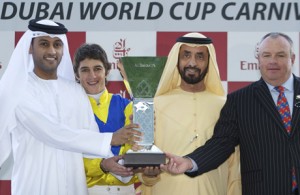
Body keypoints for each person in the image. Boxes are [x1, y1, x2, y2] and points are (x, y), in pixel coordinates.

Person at [0, 19, 140, 195]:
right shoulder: (19, 88)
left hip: (74, 187)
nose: (52, 51)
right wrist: (111, 138)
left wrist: (114, 165)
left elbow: (90, 134)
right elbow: (52, 132)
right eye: (44, 44)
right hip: (35, 186)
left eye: (57, 44)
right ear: (30, 47)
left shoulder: (75, 90)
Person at [161, 32, 299, 195]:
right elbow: (222, 143)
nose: (272, 61)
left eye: (280, 55)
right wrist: (190, 162)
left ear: (292, 58)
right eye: (266, 55)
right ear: (258, 60)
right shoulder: (240, 100)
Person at [142, 32, 241, 195]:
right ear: (177, 60)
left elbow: (234, 167)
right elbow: (145, 169)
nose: (192, 62)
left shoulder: (225, 105)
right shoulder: (155, 104)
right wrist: (148, 174)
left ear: (209, 62)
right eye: (186, 55)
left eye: (200, 56)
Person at [73, 43, 157, 195]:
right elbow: (68, 159)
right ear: (77, 75)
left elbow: (139, 151)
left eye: (97, 69)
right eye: (85, 70)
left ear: (107, 71)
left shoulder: (129, 107)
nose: (92, 76)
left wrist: (148, 169)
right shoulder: (70, 110)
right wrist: (102, 165)